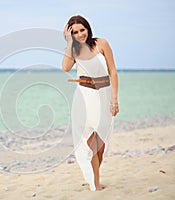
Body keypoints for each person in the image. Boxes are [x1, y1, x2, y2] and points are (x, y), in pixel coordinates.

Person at [62, 15, 119, 191]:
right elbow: (65, 67)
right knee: (91, 140)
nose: (80, 34)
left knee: (101, 144)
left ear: (88, 28)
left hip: (104, 95)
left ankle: (94, 174)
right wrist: (69, 42)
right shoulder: (74, 50)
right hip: (84, 97)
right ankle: (96, 183)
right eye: (76, 32)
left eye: (82, 30)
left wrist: (114, 99)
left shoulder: (102, 44)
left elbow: (113, 71)